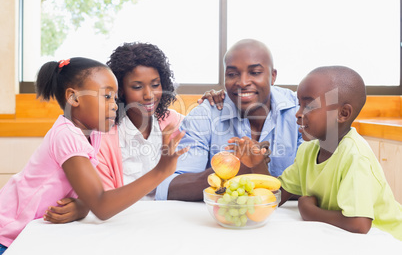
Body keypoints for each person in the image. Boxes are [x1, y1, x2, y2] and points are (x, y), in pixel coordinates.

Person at [0, 57, 188, 253]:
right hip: (8, 236)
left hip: (36, 236)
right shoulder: (67, 135)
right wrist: (161, 172)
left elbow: (91, 195)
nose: (115, 105)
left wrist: (83, 205)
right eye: (106, 97)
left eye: (115, 98)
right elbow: (102, 206)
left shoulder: (93, 133)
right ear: (73, 98)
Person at [43, 42, 224, 223]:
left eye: (155, 84)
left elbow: (203, 137)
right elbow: (102, 200)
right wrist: (83, 206)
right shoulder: (103, 137)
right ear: (120, 90)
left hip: (174, 217)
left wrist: (212, 103)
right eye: (137, 87)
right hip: (125, 222)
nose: (148, 95)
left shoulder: (173, 122)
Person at [155, 39, 303, 201]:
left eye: (255, 73)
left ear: (273, 76)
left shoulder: (299, 111)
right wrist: (233, 169)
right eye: (232, 74)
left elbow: (317, 182)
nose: (243, 82)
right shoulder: (204, 116)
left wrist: (256, 168)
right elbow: (170, 188)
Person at [278, 66, 402, 241]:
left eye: (310, 105)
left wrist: (309, 212)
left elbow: (359, 225)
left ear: (343, 113)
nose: (298, 113)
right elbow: (280, 191)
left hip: (386, 239)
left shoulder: (355, 156)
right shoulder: (308, 150)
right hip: (342, 239)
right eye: (300, 104)